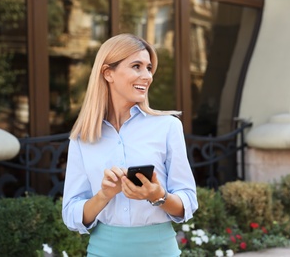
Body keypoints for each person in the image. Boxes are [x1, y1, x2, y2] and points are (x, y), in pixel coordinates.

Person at [62, 33, 198, 257]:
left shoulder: (167, 127)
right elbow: (71, 214)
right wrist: (104, 195)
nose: (147, 76)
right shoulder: (81, 138)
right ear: (108, 73)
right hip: (102, 251)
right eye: (137, 66)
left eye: (149, 68)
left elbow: (187, 202)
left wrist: (157, 195)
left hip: (160, 251)